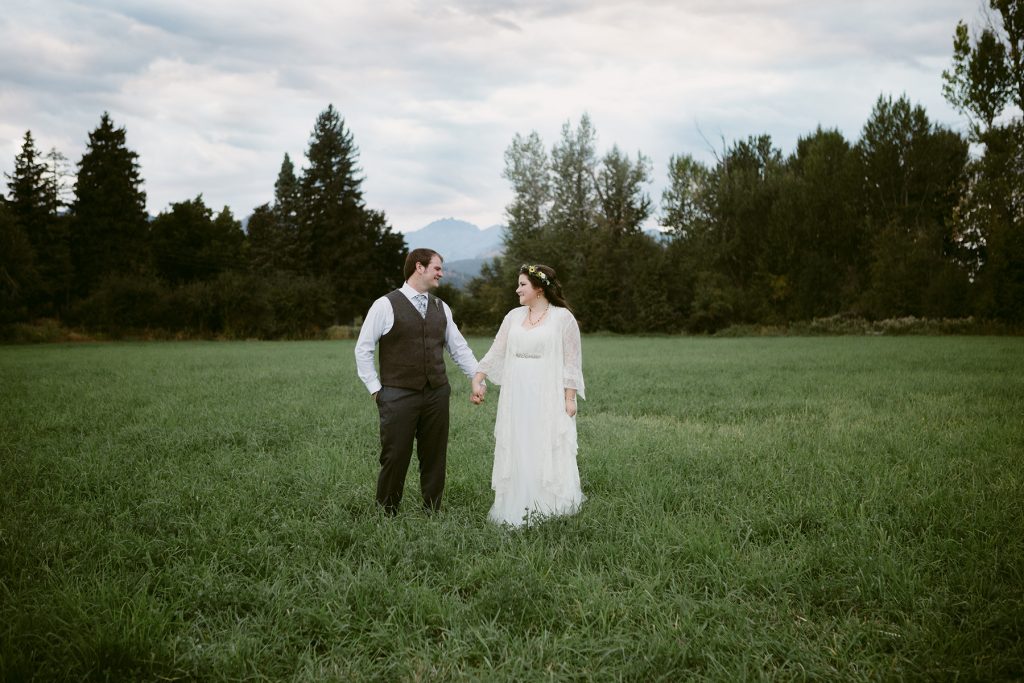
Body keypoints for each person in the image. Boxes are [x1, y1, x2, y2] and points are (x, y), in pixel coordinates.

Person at [355, 248, 481, 514]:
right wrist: (376, 390)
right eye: (437, 268)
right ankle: (387, 512)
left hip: (437, 393)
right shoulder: (385, 304)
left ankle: (432, 510)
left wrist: (476, 378)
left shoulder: (441, 307)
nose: (441, 274)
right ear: (419, 267)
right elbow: (363, 349)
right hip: (397, 395)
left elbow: (458, 348)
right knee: (395, 456)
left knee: (435, 456)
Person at [471, 264, 585, 527]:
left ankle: (549, 503)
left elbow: (571, 361)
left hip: (547, 391)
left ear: (539, 288)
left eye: (522, 284)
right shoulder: (512, 316)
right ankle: (517, 501)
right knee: (519, 440)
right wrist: (478, 378)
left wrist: (569, 398)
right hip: (516, 392)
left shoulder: (563, 318)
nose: (517, 289)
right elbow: (496, 351)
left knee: (545, 439)